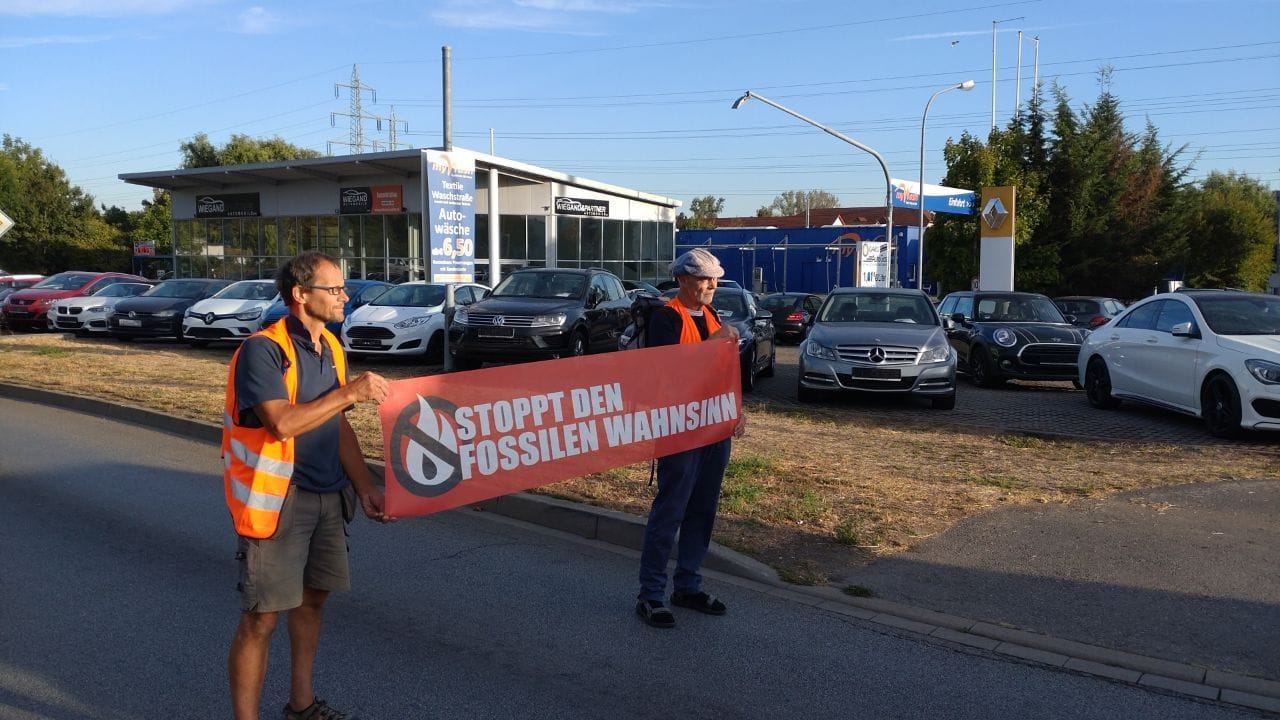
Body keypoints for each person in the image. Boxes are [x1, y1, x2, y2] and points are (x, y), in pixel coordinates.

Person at [224, 251, 392, 720]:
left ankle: (301, 704)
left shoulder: (332, 347)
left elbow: (338, 426)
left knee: (313, 600)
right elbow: (281, 424)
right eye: (334, 289)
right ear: (301, 295)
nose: (345, 296)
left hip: (328, 493)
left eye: (343, 288)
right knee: (261, 619)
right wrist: (350, 392)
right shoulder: (263, 349)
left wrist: (364, 487)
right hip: (280, 501)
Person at [635, 248, 747, 629]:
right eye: (704, 278)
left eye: (715, 277)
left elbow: (722, 372)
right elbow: (669, 373)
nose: (713, 285)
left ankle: (687, 585)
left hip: (715, 430)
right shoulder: (665, 318)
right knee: (671, 509)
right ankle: (650, 595)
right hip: (679, 431)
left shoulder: (714, 315)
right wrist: (717, 340)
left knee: (702, 509)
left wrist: (734, 411)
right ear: (682, 279)